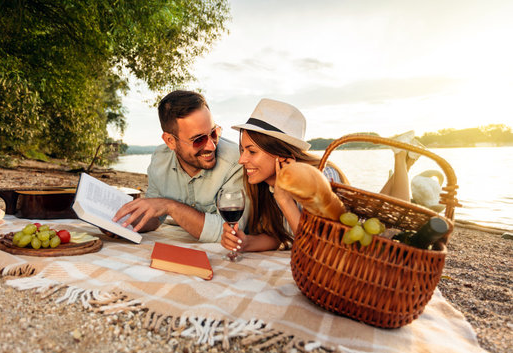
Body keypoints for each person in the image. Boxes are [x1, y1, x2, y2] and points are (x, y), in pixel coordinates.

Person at [220, 98, 413, 254]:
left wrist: (284, 199)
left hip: (365, 249)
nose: (241, 160)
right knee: (381, 209)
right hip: (362, 229)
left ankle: (401, 158)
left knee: (392, 222)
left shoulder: (323, 175)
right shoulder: (262, 185)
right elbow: (278, 235)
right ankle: (404, 160)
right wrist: (246, 243)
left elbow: (320, 250)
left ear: (280, 153)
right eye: (242, 149)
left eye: (252, 151)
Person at [112, 90, 247, 243]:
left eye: (214, 133)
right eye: (198, 140)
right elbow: (155, 218)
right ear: (170, 141)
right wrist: (122, 224)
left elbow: (234, 230)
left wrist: (171, 206)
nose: (211, 146)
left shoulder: (235, 161)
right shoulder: (160, 161)